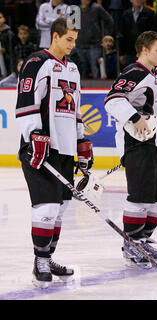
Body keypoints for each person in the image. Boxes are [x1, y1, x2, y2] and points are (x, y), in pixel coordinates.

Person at [15, 18, 93, 288]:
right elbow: (26, 102)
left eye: (75, 40)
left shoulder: (72, 68)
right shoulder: (37, 63)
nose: (73, 45)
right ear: (56, 36)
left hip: (65, 149)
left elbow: (76, 110)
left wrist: (82, 142)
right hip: (41, 148)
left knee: (60, 209)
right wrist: (34, 135)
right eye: (69, 39)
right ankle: (40, 262)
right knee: (46, 207)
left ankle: (48, 257)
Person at [104, 31, 157, 267]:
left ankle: (143, 239)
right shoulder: (134, 72)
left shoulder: (156, 75)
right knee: (140, 196)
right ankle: (131, 242)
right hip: (136, 143)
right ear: (144, 50)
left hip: (156, 142)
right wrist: (134, 117)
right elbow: (113, 99)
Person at [74, 0, 114, 79]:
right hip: (79, 44)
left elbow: (109, 20)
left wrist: (105, 36)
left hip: (94, 44)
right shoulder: (75, 10)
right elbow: (70, 26)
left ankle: (99, 90)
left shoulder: (96, 8)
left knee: (95, 69)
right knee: (81, 70)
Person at [118, 0, 155, 68]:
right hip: (129, 52)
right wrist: (121, 54)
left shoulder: (150, 13)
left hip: (145, 51)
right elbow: (122, 35)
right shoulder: (125, 14)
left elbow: (153, 35)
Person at [0, 11, 15, 76]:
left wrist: (5, 49)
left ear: (4, 19)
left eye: (0, 17)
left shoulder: (9, 33)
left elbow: (13, 48)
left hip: (6, 59)